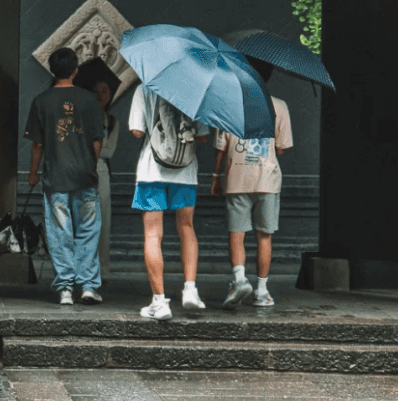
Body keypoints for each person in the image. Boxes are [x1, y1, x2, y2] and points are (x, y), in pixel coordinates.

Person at [25, 46, 105, 305]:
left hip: (55, 177)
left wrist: (33, 173)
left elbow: (38, 144)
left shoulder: (41, 101)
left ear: (52, 70)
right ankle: (89, 286)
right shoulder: (89, 100)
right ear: (75, 71)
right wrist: (90, 165)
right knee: (88, 230)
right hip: (85, 176)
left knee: (60, 233)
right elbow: (97, 140)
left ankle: (66, 289)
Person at [212, 59, 293, 309]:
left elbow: (221, 150)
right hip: (267, 179)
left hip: (237, 177)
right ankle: (261, 291)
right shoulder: (279, 106)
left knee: (237, 234)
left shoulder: (229, 104)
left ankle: (239, 280)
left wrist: (216, 178)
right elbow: (281, 148)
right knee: (264, 237)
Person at [129, 84, 209, 320]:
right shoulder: (194, 89)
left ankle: (159, 302)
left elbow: (136, 131)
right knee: (187, 227)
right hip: (185, 171)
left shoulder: (144, 88)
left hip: (152, 171)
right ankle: (191, 290)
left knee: (153, 234)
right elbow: (203, 136)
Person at [74, 58, 120, 283]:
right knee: (79, 221)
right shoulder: (79, 116)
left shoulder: (111, 121)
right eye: (97, 91)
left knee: (102, 222)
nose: (101, 95)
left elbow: (108, 151)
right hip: (79, 170)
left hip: (101, 172)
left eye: (105, 91)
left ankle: (101, 269)